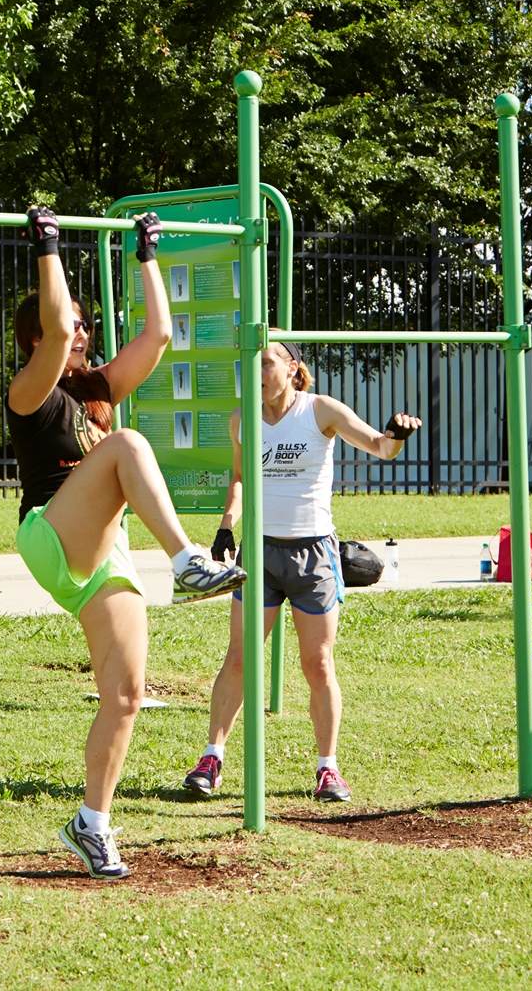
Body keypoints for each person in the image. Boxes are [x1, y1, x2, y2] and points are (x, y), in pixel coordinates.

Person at [6, 206, 247, 879]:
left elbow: (161, 335)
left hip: (102, 550)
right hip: (54, 531)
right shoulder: (31, 391)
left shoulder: (96, 391)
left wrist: (148, 256)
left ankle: (93, 823)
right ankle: (186, 562)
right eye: (74, 323)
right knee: (127, 446)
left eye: (86, 324)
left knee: (126, 693)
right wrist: (47, 247)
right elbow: (55, 328)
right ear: (37, 337)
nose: (82, 331)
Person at [183, 334, 420, 803]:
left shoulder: (320, 411)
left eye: (267, 363)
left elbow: (380, 447)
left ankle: (327, 768)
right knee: (239, 657)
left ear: (293, 369)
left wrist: (395, 432)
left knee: (318, 663)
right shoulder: (242, 419)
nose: (257, 373)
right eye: (251, 364)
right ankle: (212, 757)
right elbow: (239, 477)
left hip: (314, 554)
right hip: (261, 553)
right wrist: (227, 527)